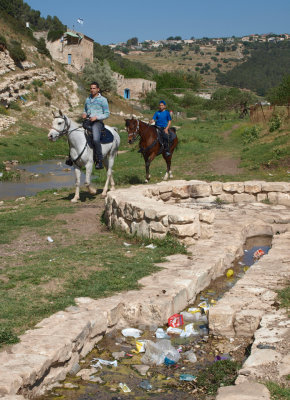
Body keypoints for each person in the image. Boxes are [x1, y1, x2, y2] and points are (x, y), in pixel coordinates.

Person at [82, 81, 110, 169]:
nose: (92, 90)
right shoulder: (87, 99)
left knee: (96, 139)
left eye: (94, 88)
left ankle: (99, 160)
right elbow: (85, 110)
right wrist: (84, 114)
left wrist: (97, 117)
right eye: (91, 88)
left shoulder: (103, 100)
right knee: (74, 133)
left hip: (97, 123)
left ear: (98, 89)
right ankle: (72, 157)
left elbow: (107, 113)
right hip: (88, 121)